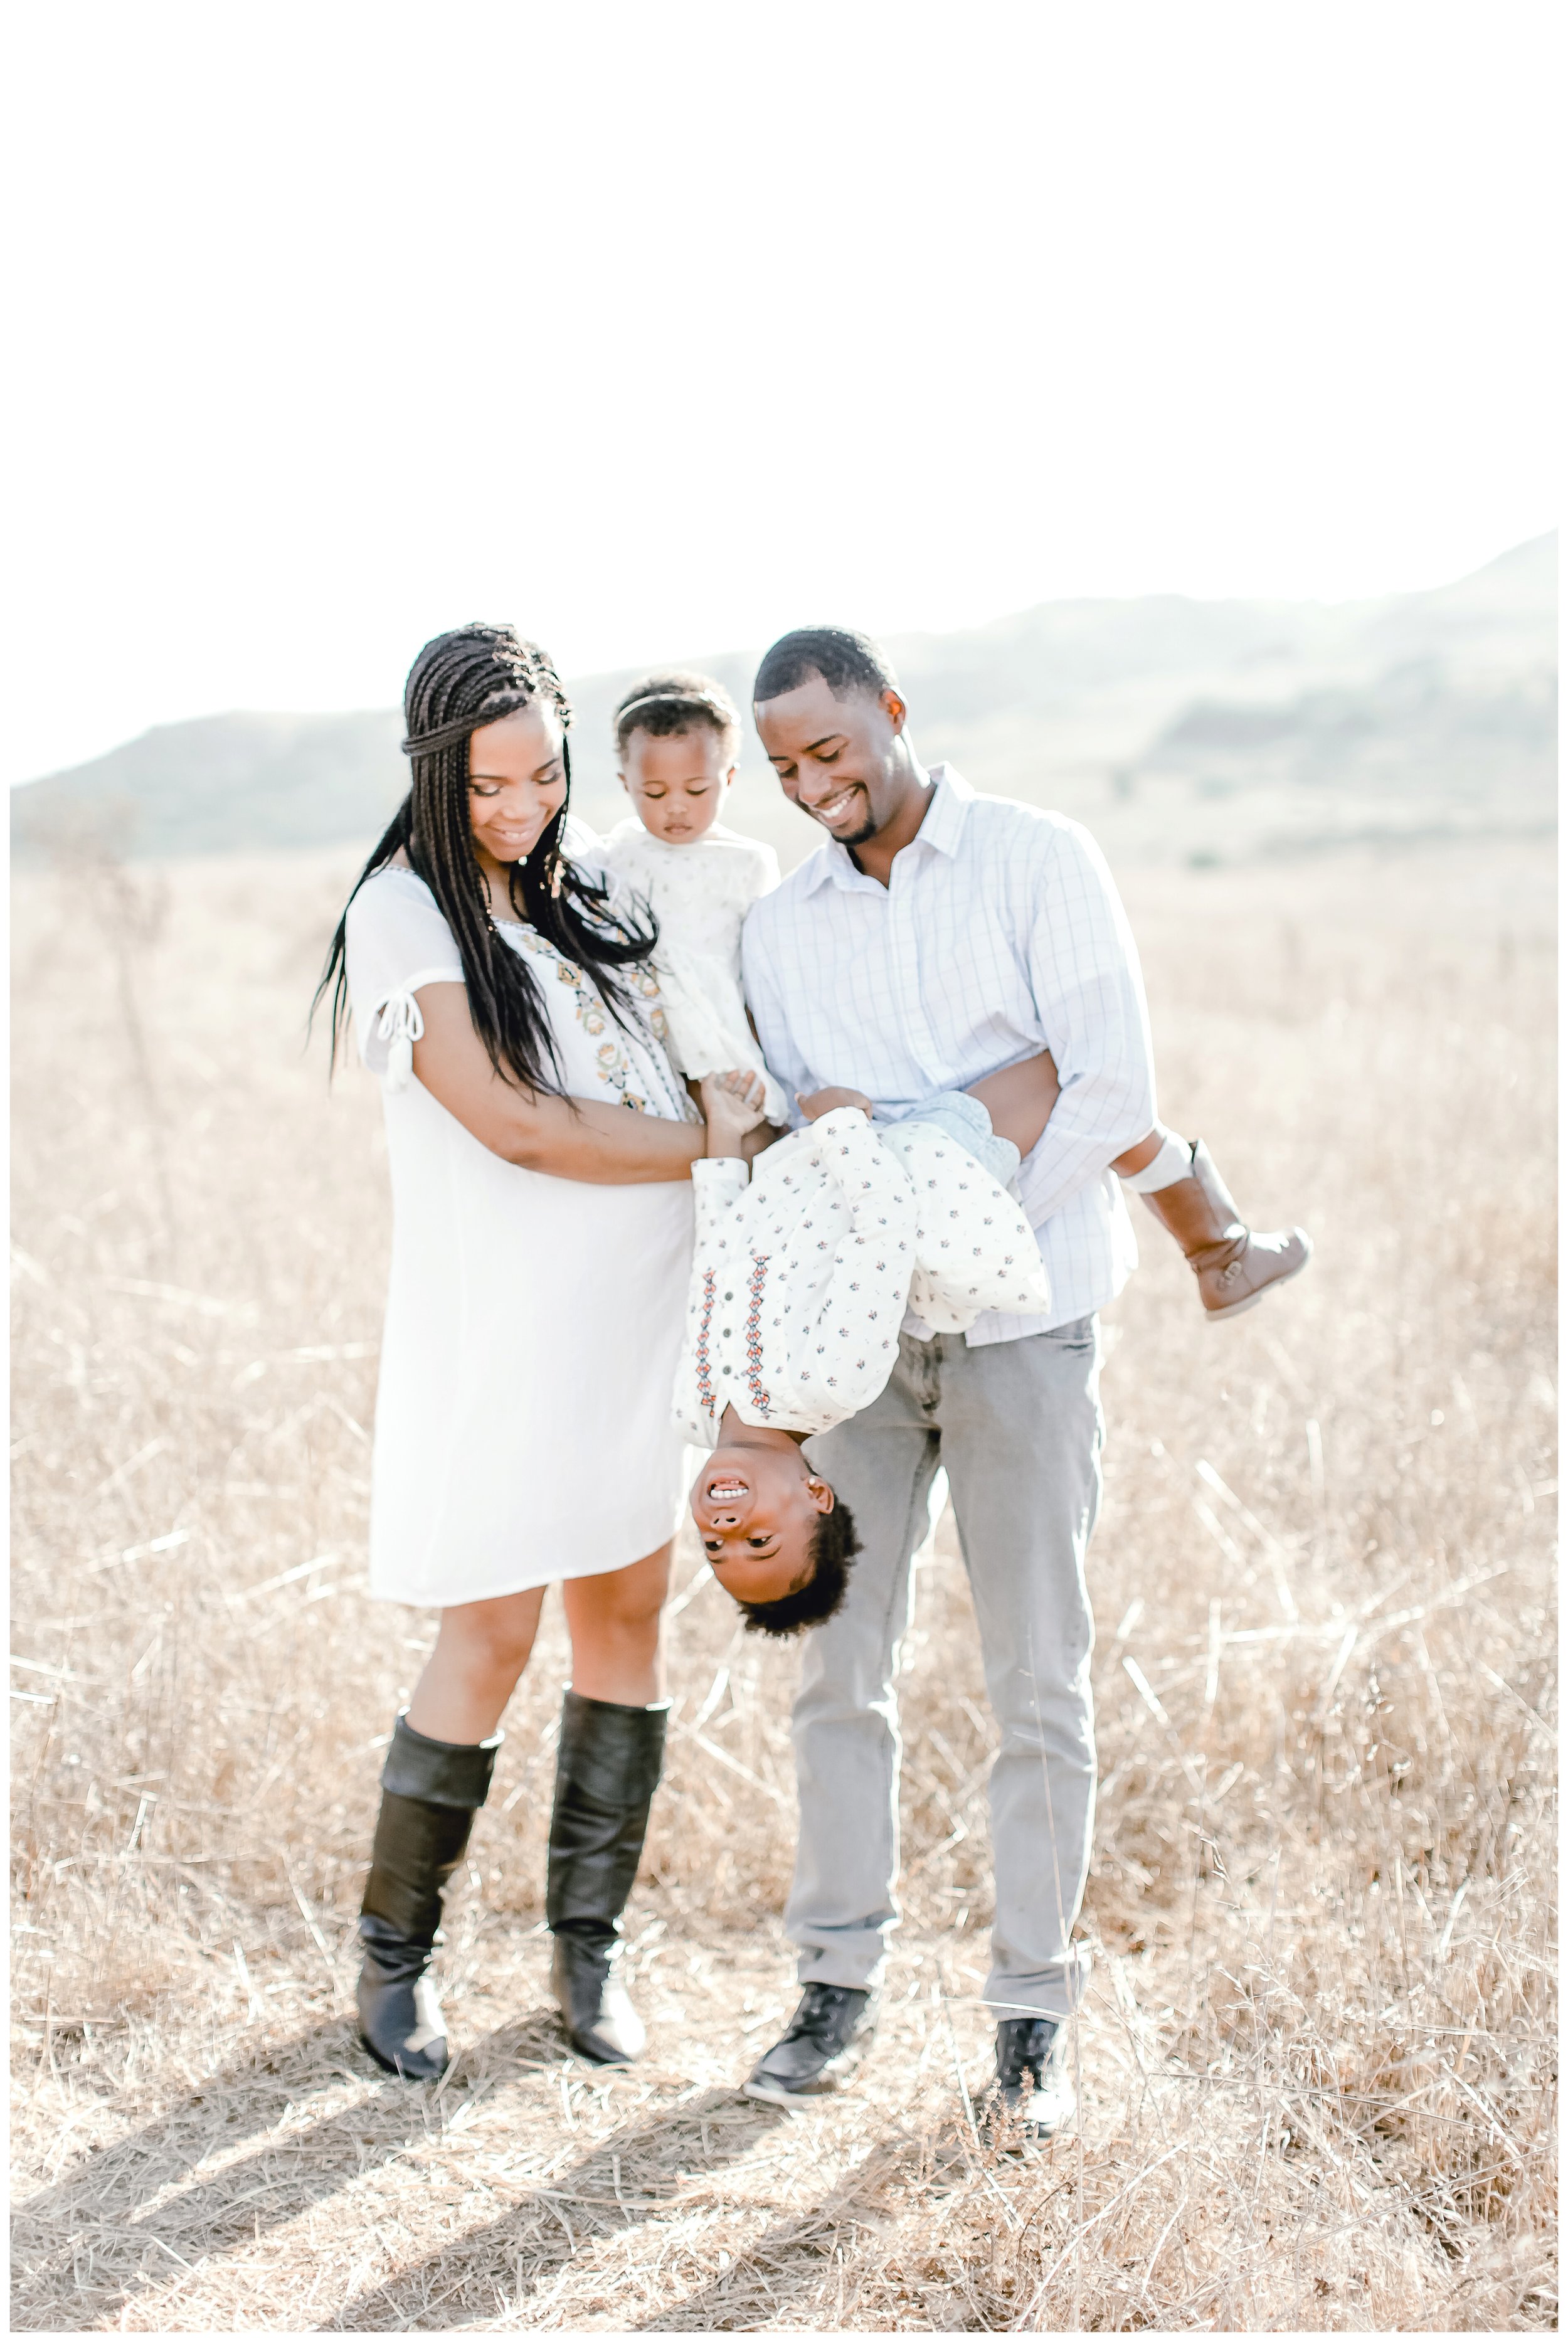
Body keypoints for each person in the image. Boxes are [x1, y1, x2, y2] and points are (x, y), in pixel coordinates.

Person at [731, 625, 1308, 2131]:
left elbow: (1107, 1083)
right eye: (784, 769)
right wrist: (959, 1111)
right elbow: (806, 1112)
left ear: (890, 714)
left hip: (1028, 1329)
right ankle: (834, 1986)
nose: (812, 786)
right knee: (838, 1672)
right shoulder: (780, 924)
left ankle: (1030, 2024)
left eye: (831, 751)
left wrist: (957, 1186)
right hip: (861, 1348)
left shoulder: (1038, 859)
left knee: (1036, 1678)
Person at [314, 623, 731, 2084]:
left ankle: (588, 1949)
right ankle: (393, 1956)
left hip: (638, 1329)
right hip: (502, 1336)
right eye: (488, 786)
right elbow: (518, 1123)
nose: (520, 810)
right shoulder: (405, 911)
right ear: (435, 775)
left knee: (627, 1616)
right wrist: (713, 1149)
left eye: (545, 775)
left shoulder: (597, 888)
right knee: (487, 1634)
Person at [676, 1059, 1056, 1635]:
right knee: (1064, 1063)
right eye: (758, 1541)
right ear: (815, 1495)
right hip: (931, 1159)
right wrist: (842, 1125)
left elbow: (712, 1262)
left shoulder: (690, 1409)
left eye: (714, 1545)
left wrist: (724, 1132)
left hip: (818, 1153)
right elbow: (886, 1227)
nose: (726, 1526)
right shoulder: (830, 1383)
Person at [596, 672, 788, 1122]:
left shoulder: (748, 863)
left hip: (723, 1033)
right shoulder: (614, 857)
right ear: (627, 784)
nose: (676, 806)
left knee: (740, 1133)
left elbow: (766, 972)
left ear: (729, 777)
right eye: (655, 793)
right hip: (642, 1038)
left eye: (697, 789)